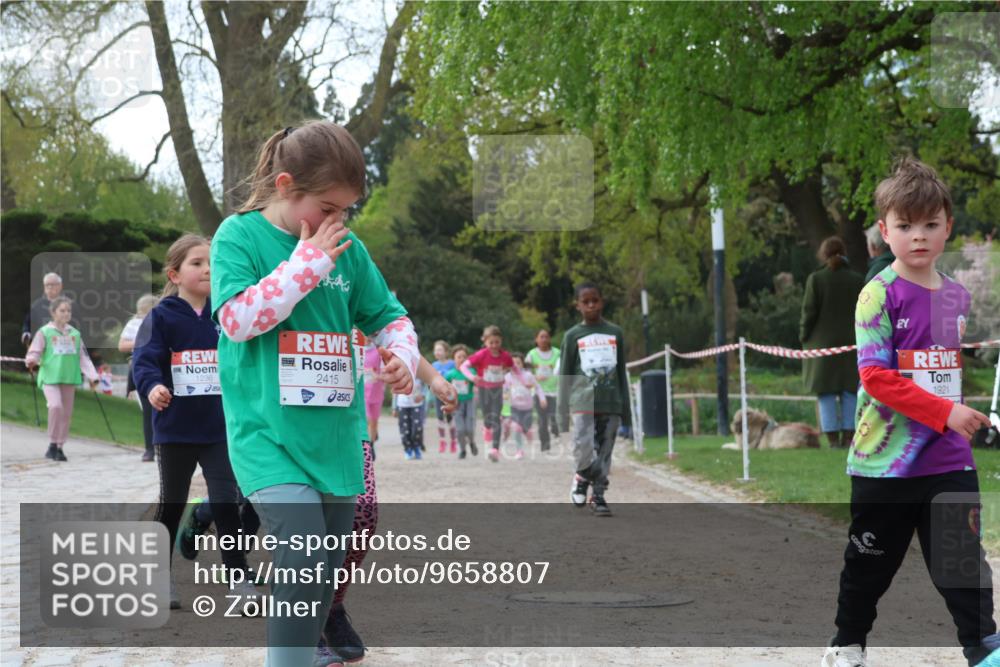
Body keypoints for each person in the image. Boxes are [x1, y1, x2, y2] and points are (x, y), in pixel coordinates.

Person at [210, 120, 421, 667]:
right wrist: (307, 263)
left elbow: (389, 316)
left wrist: (402, 355)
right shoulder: (238, 236)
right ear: (286, 186)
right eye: (327, 208)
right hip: (266, 437)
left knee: (323, 573)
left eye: (346, 210)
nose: (337, 221)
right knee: (303, 554)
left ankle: (305, 652)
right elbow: (237, 320)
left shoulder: (348, 248)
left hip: (335, 440)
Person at [821, 158, 998, 667]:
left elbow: (943, 367)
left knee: (963, 563)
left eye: (930, 224)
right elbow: (876, 378)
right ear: (885, 231)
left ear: (948, 228)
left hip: (949, 460)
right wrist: (945, 411)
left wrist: (958, 413)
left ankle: (984, 648)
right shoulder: (876, 296)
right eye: (905, 226)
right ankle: (847, 644)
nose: (918, 236)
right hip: (885, 465)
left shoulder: (958, 297)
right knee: (869, 565)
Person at [132, 234, 259, 611]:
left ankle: (238, 579)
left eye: (212, 263)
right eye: (197, 263)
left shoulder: (228, 314)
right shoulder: (161, 316)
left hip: (221, 428)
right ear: (174, 274)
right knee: (172, 503)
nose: (207, 269)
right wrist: (153, 387)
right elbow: (144, 361)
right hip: (175, 429)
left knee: (225, 502)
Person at [558, 282, 630, 517]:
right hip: (583, 401)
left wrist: (626, 410)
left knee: (605, 449)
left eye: (595, 300)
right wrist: (561, 411)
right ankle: (581, 476)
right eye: (585, 302)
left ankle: (598, 494)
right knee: (583, 445)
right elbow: (565, 374)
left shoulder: (615, 333)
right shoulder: (572, 336)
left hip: (610, 400)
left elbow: (621, 373)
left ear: (602, 302)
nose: (591, 305)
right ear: (577, 305)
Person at [800, 236, 865, 449]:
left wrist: (803, 335)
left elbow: (809, 313)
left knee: (826, 393)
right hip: (852, 343)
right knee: (850, 391)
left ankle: (832, 440)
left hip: (822, 346)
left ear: (823, 254)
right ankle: (848, 437)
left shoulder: (816, 279)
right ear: (844, 252)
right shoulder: (857, 279)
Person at [24, 296, 99, 461]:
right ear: (53, 312)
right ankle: (52, 442)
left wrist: (93, 376)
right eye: (62, 310)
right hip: (50, 377)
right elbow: (35, 351)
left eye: (68, 311)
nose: (66, 313)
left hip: (69, 378)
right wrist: (31, 360)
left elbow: (83, 358)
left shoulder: (75, 334)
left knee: (66, 414)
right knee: (55, 406)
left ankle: (59, 447)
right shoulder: (44, 332)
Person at [460, 325, 515, 462]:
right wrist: (473, 377)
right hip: (484, 390)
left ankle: (495, 450)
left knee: (496, 417)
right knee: (487, 418)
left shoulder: (505, 356)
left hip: (498, 390)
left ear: (501, 341)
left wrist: (512, 375)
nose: (494, 345)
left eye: (497, 342)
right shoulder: (481, 354)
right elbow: (463, 366)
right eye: (491, 342)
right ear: (484, 341)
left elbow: (513, 368)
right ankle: (486, 427)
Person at [119, 294, 159, 461]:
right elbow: (122, 345)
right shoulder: (134, 324)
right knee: (148, 411)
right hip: (140, 366)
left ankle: (161, 445)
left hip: (160, 364)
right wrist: (143, 341)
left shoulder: (161, 320)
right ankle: (149, 448)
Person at [504, 352, 546, 459]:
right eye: (513, 363)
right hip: (514, 407)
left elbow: (538, 387)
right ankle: (519, 450)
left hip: (527, 407)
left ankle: (527, 432)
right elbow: (504, 389)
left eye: (518, 363)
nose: (515, 365)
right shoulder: (507, 377)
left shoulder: (528, 375)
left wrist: (542, 399)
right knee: (516, 427)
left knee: (526, 428)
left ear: (523, 364)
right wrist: (504, 396)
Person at [526, 329, 561, 451]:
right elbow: (526, 373)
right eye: (541, 337)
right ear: (536, 339)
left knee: (554, 416)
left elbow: (561, 368)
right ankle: (545, 445)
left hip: (555, 391)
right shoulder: (531, 354)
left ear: (549, 339)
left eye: (546, 336)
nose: (544, 339)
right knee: (542, 419)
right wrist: (535, 377)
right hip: (539, 392)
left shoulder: (557, 353)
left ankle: (556, 430)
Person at [446, 344, 478, 458]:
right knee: (460, 430)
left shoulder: (471, 372)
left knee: (469, 428)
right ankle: (463, 450)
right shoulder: (450, 374)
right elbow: (443, 387)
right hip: (457, 404)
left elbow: (478, 383)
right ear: (453, 358)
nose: (462, 359)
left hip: (469, 402)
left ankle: (472, 442)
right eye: (459, 357)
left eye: (464, 356)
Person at [22, 272, 64, 346]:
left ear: (60, 286)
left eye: (52, 284)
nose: (50, 287)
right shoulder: (37, 305)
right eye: (47, 285)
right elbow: (27, 323)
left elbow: (80, 327)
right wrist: (26, 333)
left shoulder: (71, 304)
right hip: (42, 346)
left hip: (65, 345)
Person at [431, 340, 458, 453]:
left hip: (449, 396)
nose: (437, 352)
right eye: (436, 350)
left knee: (450, 418)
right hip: (438, 396)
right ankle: (442, 441)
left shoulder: (452, 364)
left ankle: (453, 441)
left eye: (440, 350)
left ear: (446, 352)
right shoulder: (433, 365)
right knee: (439, 418)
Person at [394, 375, 426, 460]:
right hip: (402, 404)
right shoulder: (399, 372)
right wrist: (394, 407)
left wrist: (423, 395)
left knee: (417, 428)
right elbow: (395, 389)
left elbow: (427, 385)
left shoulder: (419, 372)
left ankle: (416, 447)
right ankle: (408, 449)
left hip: (417, 404)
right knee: (405, 429)